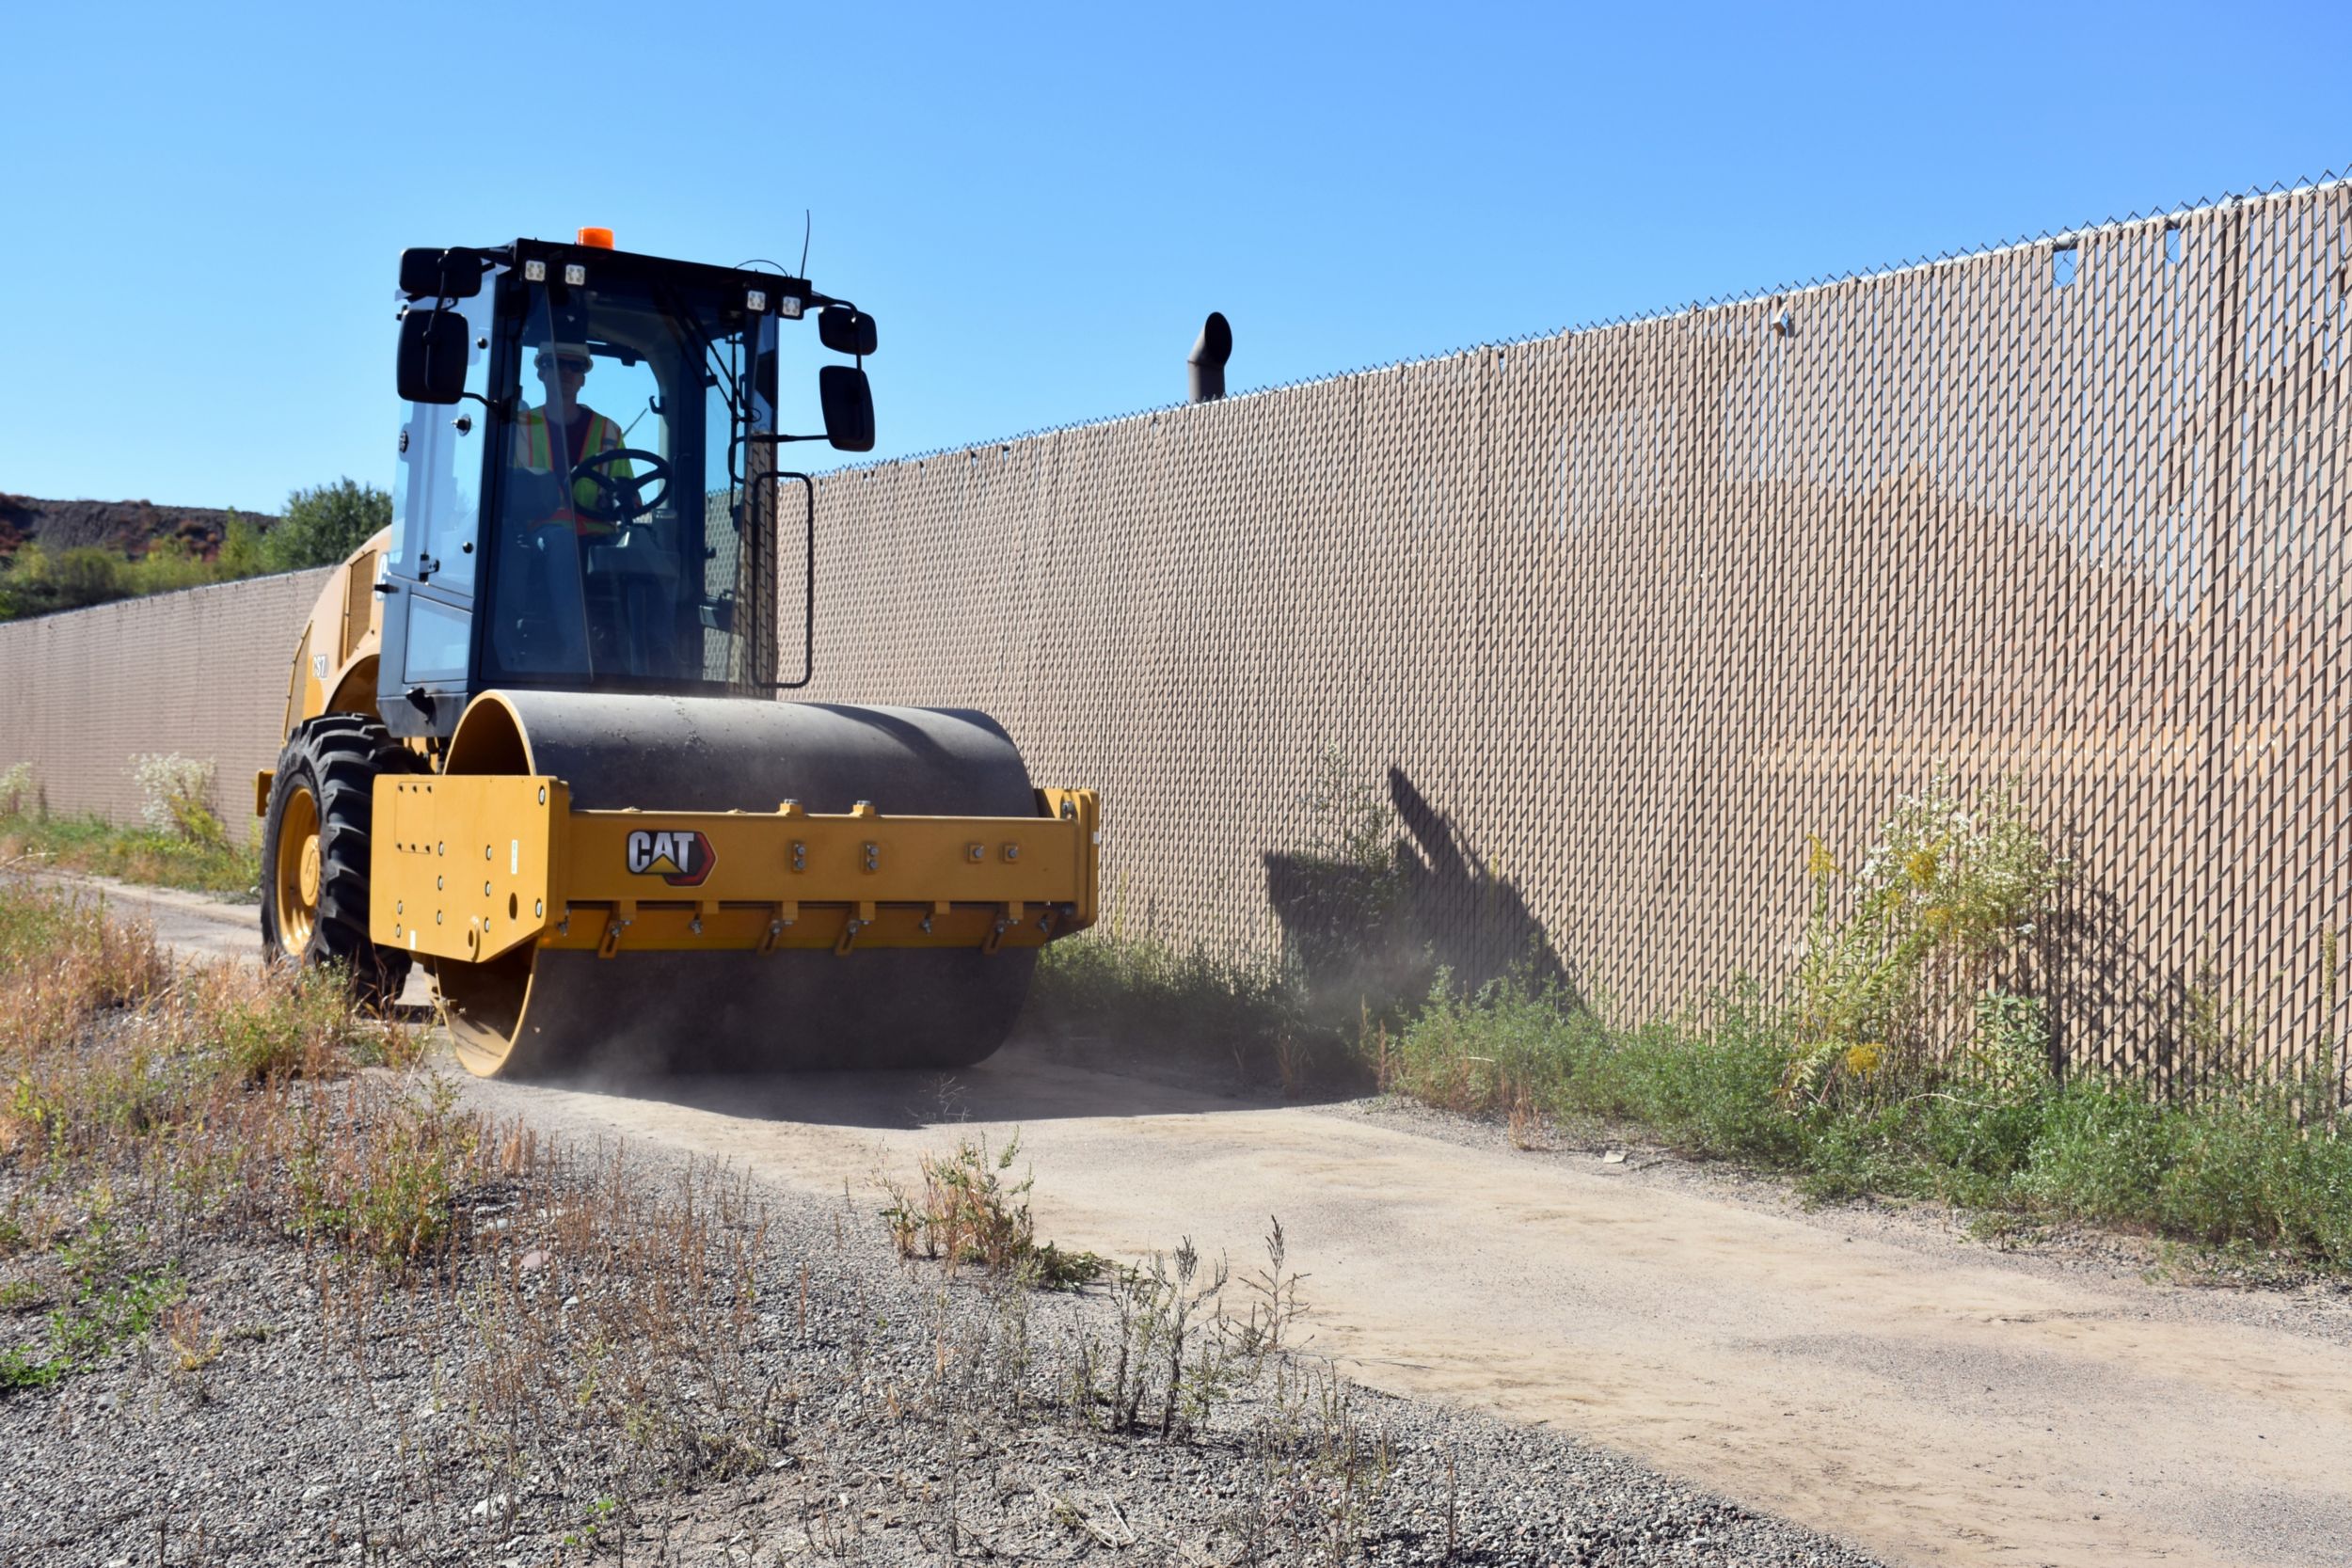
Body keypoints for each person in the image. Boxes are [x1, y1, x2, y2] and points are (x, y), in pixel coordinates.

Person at [510, 341, 633, 535]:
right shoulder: (518, 428)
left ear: (583, 379)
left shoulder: (609, 431)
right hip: (537, 540)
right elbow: (504, 494)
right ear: (541, 373)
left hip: (599, 540)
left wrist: (616, 500)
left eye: (576, 366)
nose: (567, 372)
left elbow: (629, 494)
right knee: (561, 542)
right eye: (557, 364)